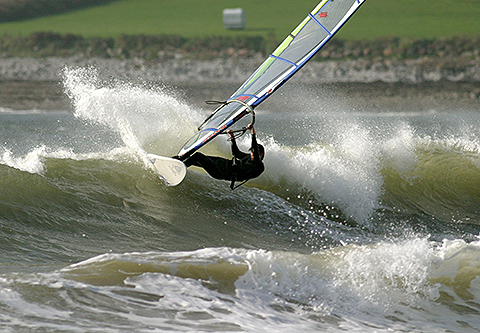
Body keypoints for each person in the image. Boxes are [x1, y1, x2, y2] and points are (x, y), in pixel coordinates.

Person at [183, 123, 265, 188]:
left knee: (198, 156)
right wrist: (232, 138)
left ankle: (179, 168)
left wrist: (253, 133)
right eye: (251, 152)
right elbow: (236, 153)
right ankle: (178, 160)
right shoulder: (248, 157)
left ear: (260, 155)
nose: (251, 154)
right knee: (195, 159)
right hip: (222, 163)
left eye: (253, 153)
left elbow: (255, 151)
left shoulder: (259, 167)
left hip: (221, 172)